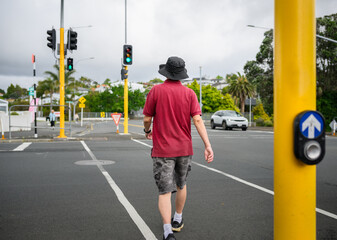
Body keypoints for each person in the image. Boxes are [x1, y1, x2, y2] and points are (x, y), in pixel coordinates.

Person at [143, 56, 214, 240]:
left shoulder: (156, 91)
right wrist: (207, 145)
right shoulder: (190, 94)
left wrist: (147, 130)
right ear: (182, 74)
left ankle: (168, 232)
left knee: (165, 191)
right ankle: (178, 219)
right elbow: (197, 119)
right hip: (184, 149)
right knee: (181, 184)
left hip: (163, 150)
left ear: (166, 72)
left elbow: (147, 117)